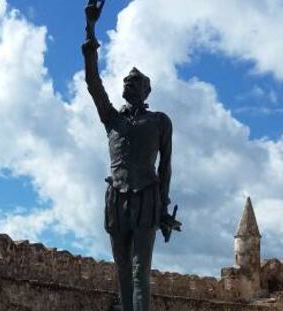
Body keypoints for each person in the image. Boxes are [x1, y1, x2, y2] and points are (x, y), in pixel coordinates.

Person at [81, 1, 176, 310]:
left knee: (139, 271)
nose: (128, 83)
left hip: (146, 199)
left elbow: (166, 168)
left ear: (146, 90)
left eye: (135, 81)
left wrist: (162, 207)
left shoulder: (159, 121)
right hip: (116, 198)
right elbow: (93, 85)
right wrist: (90, 29)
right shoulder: (112, 119)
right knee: (122, 269)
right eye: (126, 81)